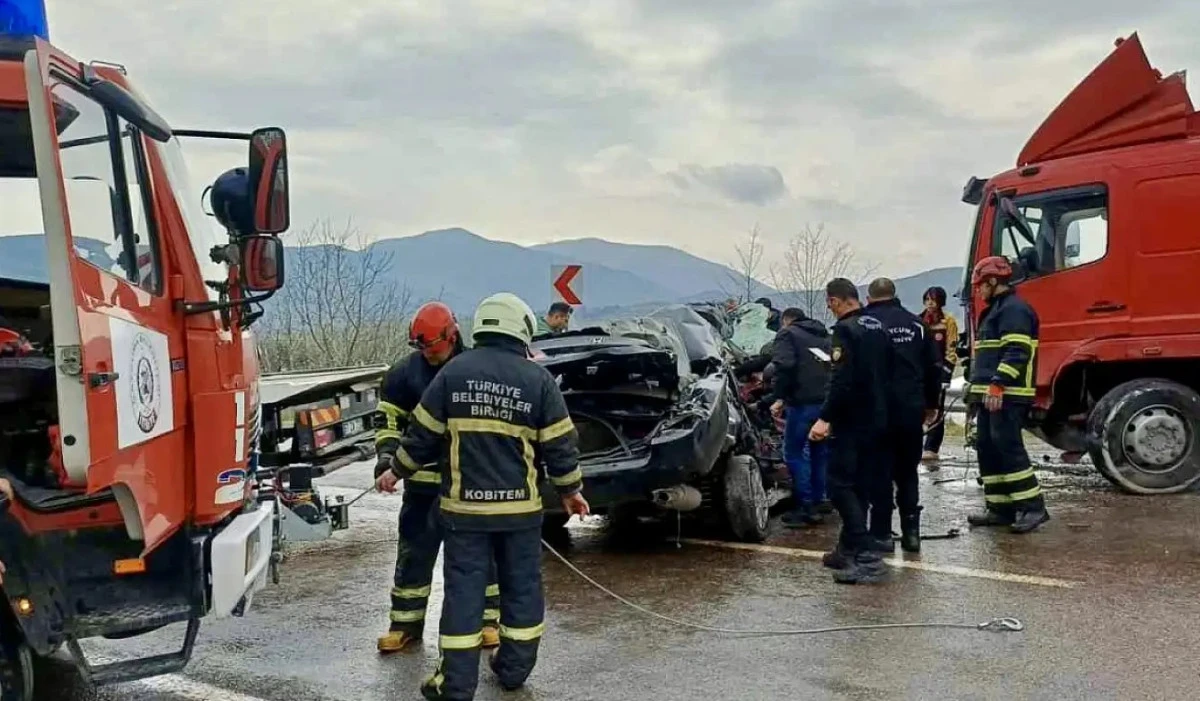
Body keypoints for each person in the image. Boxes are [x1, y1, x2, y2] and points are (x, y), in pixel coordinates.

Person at [376, 292, 590, 701]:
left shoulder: (453, 375)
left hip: (465, 514)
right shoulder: (538, 380)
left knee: (464, 592)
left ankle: (455, 685)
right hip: (521, 514)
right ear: (520, 329)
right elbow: (561, 445)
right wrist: (571, 492)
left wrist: (394, 471)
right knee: (522, 589)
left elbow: (421, 436)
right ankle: (512, 671)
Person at [373, 302, 502, 654]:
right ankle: (405, 625)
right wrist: (387, 457)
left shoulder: (475, 368)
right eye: (422, 347)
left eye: (433, 346)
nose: (428, 353)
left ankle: (489, 621)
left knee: (479, 558)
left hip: (470, 486)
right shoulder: (403, 376)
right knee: (414, 554)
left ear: (452, 334)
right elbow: (388, 421)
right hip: (422, 489)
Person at [808, 279, 894, 584]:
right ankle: (845, 550)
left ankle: (867, 556)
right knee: (860, 485)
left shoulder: (845, 331)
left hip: (852, 419)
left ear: (835, 301)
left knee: (838, 485)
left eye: (830, 303)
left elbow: (842, 380)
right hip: (878, 418)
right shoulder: (878, 327)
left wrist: (824, 418)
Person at [966, 257, 1050, 534]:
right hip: (991, 394)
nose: (977, 290)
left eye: (980, 285)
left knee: (1008, 447)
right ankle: (1000, 508)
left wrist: (998, 384)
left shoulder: (1014, 310)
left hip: (1008, 394)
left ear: (992, 282)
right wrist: (975, 392)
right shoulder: (995, 310)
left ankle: (1032, 507)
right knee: (987, 446)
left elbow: (1017, 351)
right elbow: (987, 356)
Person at [864, 279, 941, 553]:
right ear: (894, 295)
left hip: (875, 410)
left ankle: (882, 534)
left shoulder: (864, 323)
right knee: (907, 471)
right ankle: (911, 535)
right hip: (910, 409)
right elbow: (934, 368)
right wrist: (932, 405)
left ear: (869, 298)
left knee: (880, 471)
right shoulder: (917, 325)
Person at [769, 308, 833, 527]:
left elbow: (783, 366)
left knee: (795, 453)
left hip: (802, 403)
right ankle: (819, 499)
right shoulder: (823, 335)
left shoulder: (787, 334)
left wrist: (779, 398)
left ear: (786, 321)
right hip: (825, 405)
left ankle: (804, 508)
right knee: (819, 453)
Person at [920, 286, 960, 463]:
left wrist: (946, 373)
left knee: (937, 410)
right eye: (927, 299)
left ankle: (931, 447)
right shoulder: (919, 321)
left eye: (933, 299)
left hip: (938, 372)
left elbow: (952, 348)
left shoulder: (948, 322)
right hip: (920, 373)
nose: (930, 303)